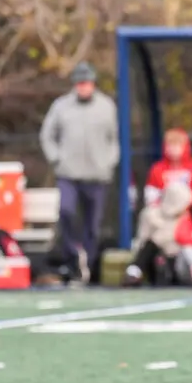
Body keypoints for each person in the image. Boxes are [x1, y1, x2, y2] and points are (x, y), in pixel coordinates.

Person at [38, 61, 119, 283]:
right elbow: (47, 135)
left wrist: (108, 162)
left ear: (93, 84)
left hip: (97, 175)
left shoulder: (106, 106)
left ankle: (88, 266)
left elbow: (114, 138)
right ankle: (72, 257)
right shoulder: (61, 106)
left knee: (93, 224)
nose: (83, 87)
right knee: (66, 212)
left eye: (87, 83)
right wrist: (56, 159)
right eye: (80, 83)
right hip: (69, 173)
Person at [143, 128, 192, 208]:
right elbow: (150, 196)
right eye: (169, 145)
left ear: (185, 147)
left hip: (187, 210)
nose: (173, 149)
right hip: (163, 210)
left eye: (177, 145)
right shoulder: (157, 169)